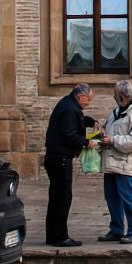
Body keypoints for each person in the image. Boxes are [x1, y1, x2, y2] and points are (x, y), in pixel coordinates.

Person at [98, 79, 132, 243]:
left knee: (128, 198)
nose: (114, 97)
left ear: (124, 96)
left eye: (116, 94)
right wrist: (101, 134)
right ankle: (116, 230)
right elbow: (110, 129)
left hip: (125, 164)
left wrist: (112, 140)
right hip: (111, 163)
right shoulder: (116, 111)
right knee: (112, 198)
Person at [43, 82, 92, 246]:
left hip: (55, 158)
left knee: (56, 197)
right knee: (62, 198)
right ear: (81, 97)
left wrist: (89, 121)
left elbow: (74, 122)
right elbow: (69, 134)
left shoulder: (68, 104)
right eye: (88, 99)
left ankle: (53, 235)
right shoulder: (71, 109)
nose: (89, 103)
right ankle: (60, 237)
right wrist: (86, 142)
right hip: (60, 159)